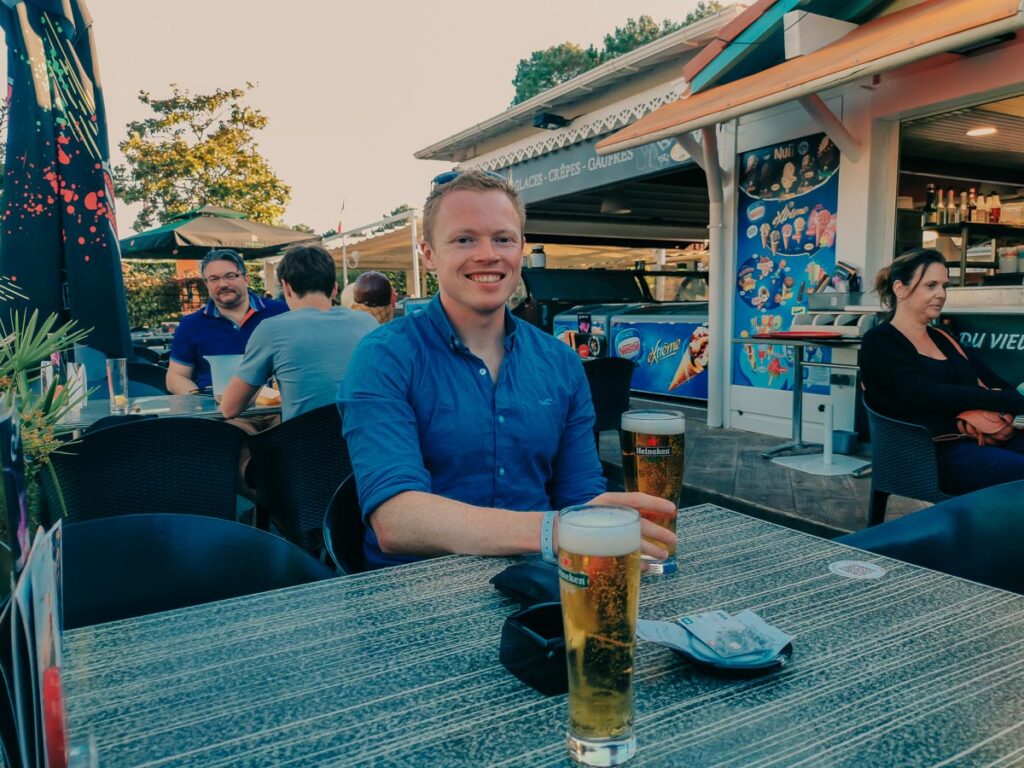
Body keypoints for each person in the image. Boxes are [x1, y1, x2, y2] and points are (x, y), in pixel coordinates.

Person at [338, 169, 675, 569]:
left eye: (503, 239)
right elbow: (396, 521)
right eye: (465, 239)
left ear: (521, 249)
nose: (488, 254)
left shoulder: (561, 362)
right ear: (429, 254)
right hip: (419, 593)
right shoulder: (384, 355)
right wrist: (555, 531)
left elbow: (580, 494)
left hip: (539, 581)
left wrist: (604, 525)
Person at [859, 248, 1024, 494]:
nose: (941, 294)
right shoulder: (880, 341)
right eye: (931, 285)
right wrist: (1007, 401)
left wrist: (1009, 400)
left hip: (978, 439)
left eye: (944, 286)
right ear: (900, 289)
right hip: (926, 454)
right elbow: (922, 395)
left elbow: (998, 383)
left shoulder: (944, 338)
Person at [219, 245, 378, 421]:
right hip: (366, 440)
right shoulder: (368, 322)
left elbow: (229, 408)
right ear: (334, 288)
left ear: (286, 287)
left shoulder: (271, 330)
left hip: (305, 445)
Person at [166, 249, 288, 395]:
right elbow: (176, 377)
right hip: (219, 413)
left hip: (277, 408)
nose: (222, 284)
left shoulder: (281, 312)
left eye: (230, 276)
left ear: (246, 278)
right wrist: (204, 401)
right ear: (206, 284)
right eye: (214, 279)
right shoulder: (191, 325)